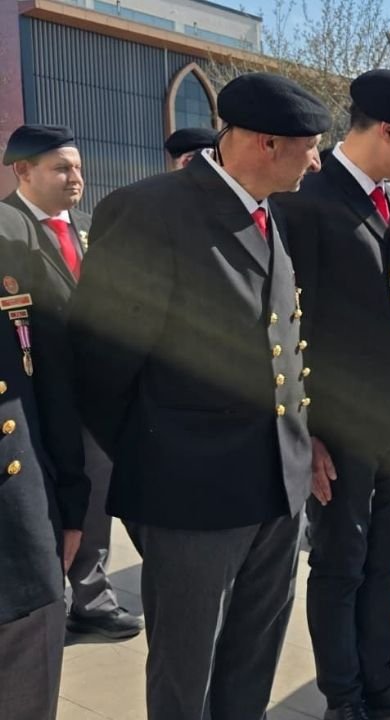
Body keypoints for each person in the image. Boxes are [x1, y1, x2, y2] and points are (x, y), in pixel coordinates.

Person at [69, 72, 328, 719]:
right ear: (266, 144)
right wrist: (162, 460)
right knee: (187, 673)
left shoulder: (276, 213)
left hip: (276, 486)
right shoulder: (152, 211)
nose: (318, 160)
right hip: (192, 497)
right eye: (310, 146)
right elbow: (99, 367)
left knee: (253, 659)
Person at [270, 69, 390, 720]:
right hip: (341, 428)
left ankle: (380, 680)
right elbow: (288, 327)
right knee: (341, 563)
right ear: (386, 131)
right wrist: (307, 432)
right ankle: (343, 698)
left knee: (386, 557)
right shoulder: (306, 201)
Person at [3, 124, 144, 640]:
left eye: (78, 167)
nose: (75, 178)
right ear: (23, 171)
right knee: (45, 499)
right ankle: (49, 600)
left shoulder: (87, 227)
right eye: (61, 168)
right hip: (34, 398)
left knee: (95, 496)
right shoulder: (7, 230)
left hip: (93, 395)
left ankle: (91, 595)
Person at [0, 203, 89, 720]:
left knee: (25, 689)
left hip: (17, 515)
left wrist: (72, 503)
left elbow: (53, 377)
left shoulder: (13, 232)